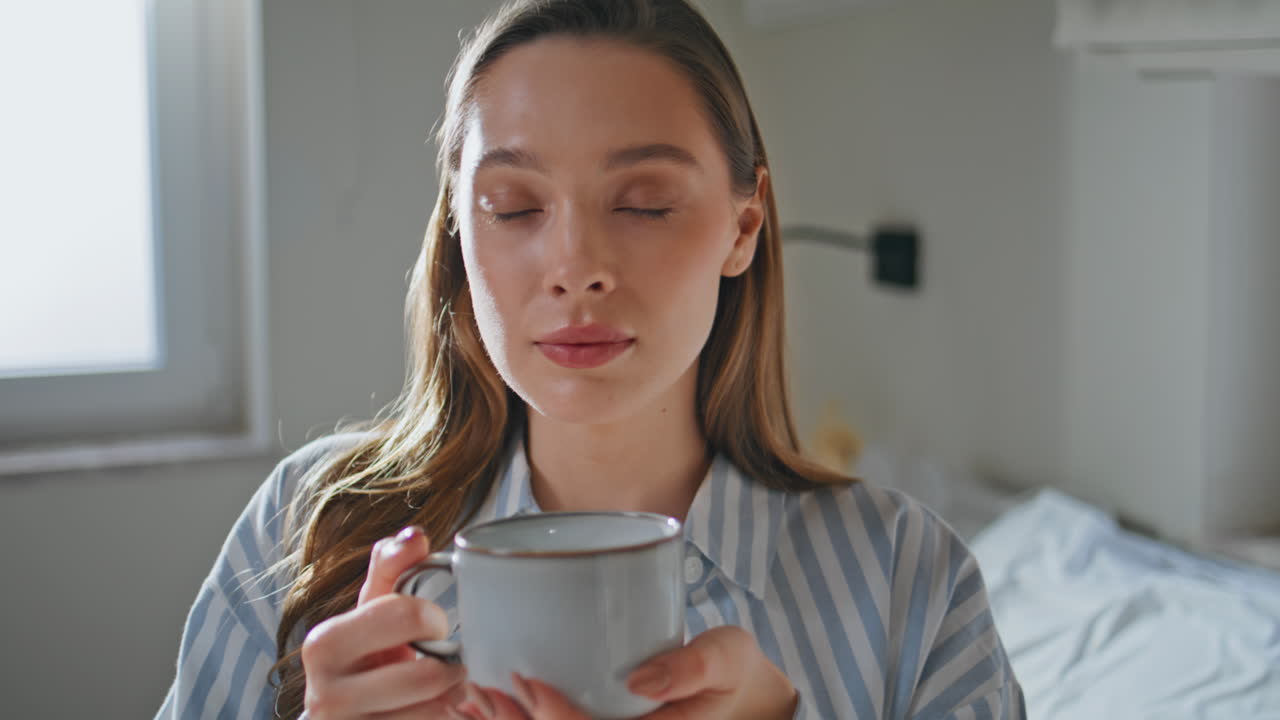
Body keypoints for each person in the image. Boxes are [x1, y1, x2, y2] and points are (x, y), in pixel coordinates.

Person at [156, 1, 1025, 718]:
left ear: (744, 224)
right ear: (460, 232)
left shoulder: (911, 580)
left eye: (644, 204)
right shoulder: (307, 530)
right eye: (512, 205)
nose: (575, 267)